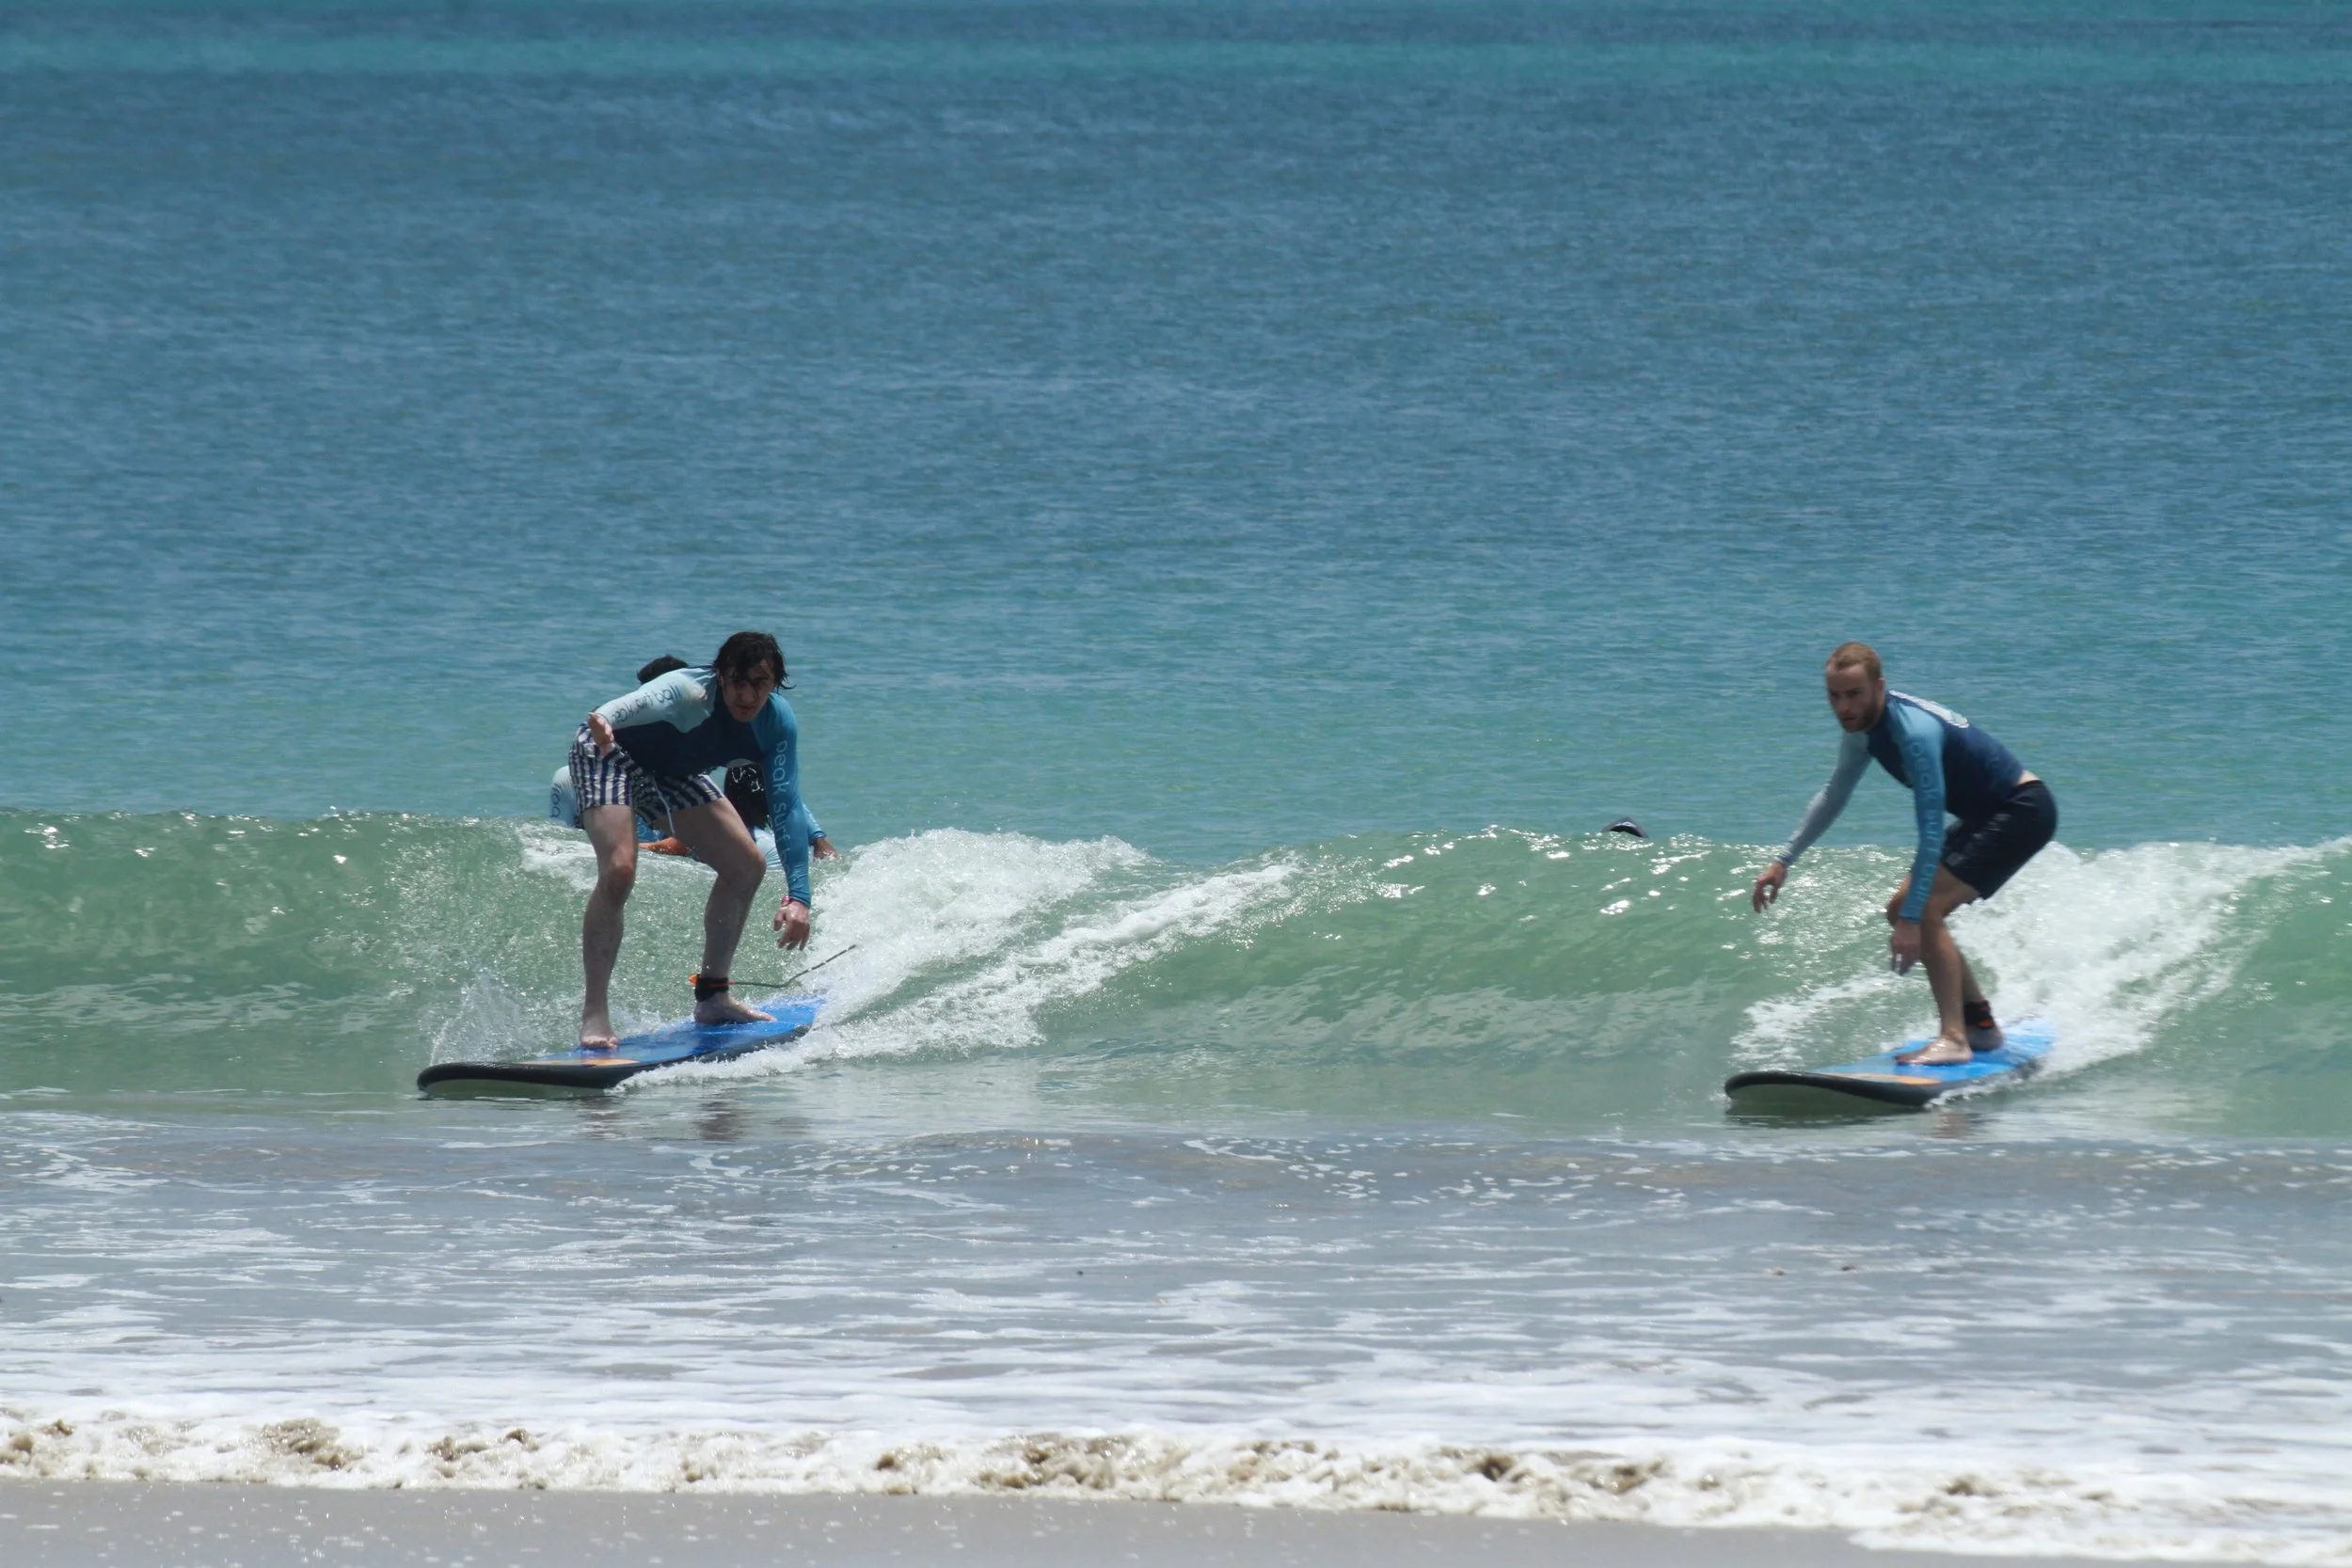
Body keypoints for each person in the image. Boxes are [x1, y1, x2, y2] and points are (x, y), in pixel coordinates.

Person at [1749, 642, 2058, 1066]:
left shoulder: (1913, 735)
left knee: (1923, 909)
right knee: (1902, 907)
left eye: (1854, 693)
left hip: (2020, 810)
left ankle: (1955, 1038)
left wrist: (1915, 920)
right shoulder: (1863, 730)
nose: (1843, 706)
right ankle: (1981, 1027)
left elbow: (1930, 826)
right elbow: (1835, 794)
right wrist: (1783, 860)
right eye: (1834, 695)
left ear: (1880, 686)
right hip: (1986, 813)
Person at [568, 631, 821, 1053]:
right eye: (738, 681)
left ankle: (713, 997)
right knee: (620, 870)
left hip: (673, 773)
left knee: (747, 865)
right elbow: (622, 708)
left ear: (774, 683)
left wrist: (800, 897)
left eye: (760, 683)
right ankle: (595, 1013)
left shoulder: (776, 723)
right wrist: (605, 723)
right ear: (720, 676)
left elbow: (786, 805)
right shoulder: (687, 690)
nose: (747, 694)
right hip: (606, 753)